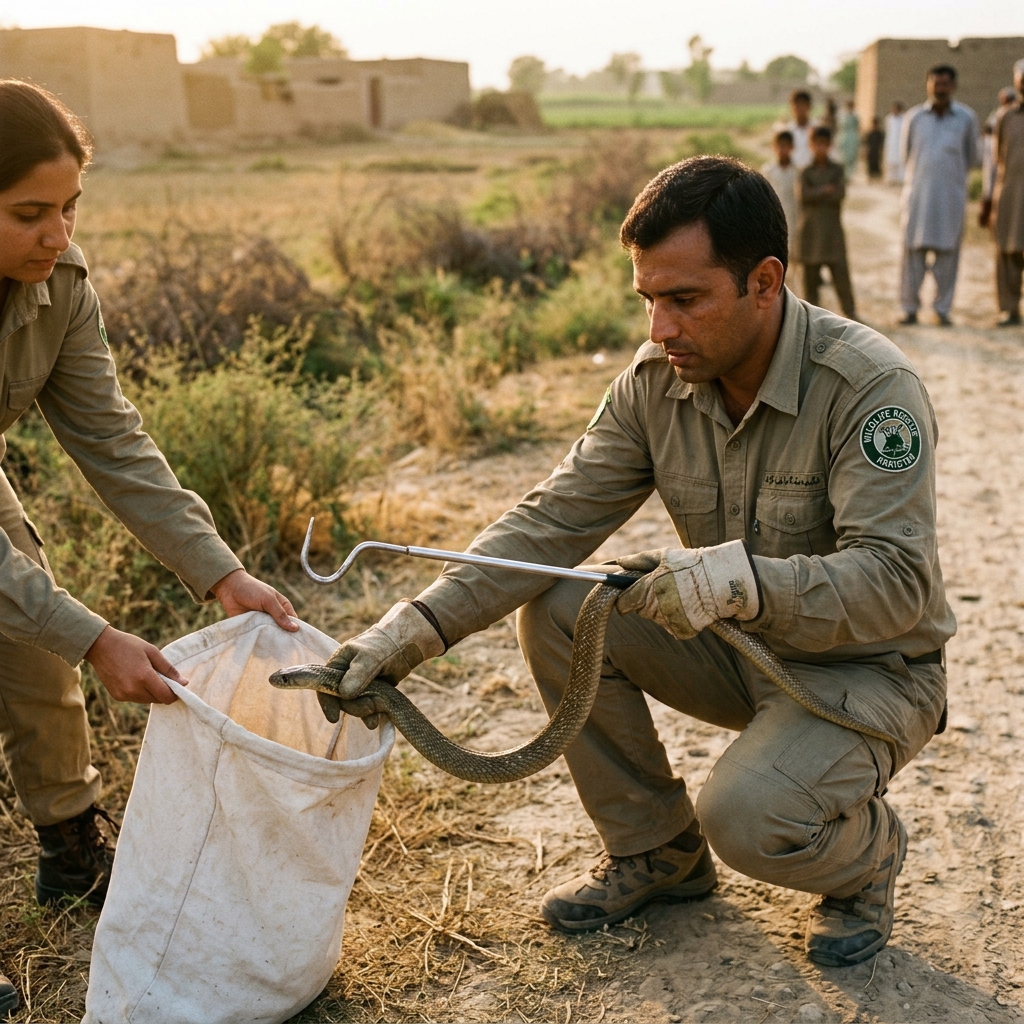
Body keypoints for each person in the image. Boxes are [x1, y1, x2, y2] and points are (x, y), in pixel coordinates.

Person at [324, 156, 954, 969]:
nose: (659, 328)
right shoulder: (655, 379)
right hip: (740, 651)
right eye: (649, 299)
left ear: (765, 282)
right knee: (559, 608)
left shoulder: (869, 388)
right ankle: (658, 852)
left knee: (751, 820)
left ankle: (865, 863)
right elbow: (551, 520)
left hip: (866, 671)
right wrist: (412, 630)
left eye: (685, 299)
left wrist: (739, 581)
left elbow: (896, 586)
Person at [0, 81, 299, 1017]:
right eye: (29, 213)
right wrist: (96, 637)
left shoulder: (61, 287)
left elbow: (114, 443)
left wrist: (222, 572)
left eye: (70, 207)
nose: (59, 234)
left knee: (31, 643)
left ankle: (69, 844)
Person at [898, 65, 980, 326]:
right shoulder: (915, 118)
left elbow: (972, 158)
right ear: (927, 85)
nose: (940, 89)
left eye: (945, 84)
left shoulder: (966, 118)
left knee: (948, 258)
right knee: (912, 256)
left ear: (953, 86)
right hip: (918, 198)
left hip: (950, 200)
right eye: (935, 83)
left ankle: (942, 310)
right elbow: (905, 155)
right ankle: (909, 309)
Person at [980, 63, 1024, 326]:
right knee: (1006, 253)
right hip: (1010, 194)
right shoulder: (1005, 117)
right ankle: (1008, 309)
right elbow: (997, 160)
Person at [797, 126, 857, 318]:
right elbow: (803, 196)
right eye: (817, 144)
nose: (821, 148)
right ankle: (810, 321)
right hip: (811, 232)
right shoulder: (805, 171)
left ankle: (850, 313)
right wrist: (825, 190)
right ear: (811, 145)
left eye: (824, 144)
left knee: (841, 277)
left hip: (832, 233)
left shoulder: (837, 169)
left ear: (830, 146)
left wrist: (817, 192)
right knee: (810, 282)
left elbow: (839, 194)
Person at [761, 130, 799, 266]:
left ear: (792, 147)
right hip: (773, 221)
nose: (783, 149)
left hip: (794, 219)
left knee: (794, 258)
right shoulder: (768, 171)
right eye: (780, 145)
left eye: (786, 146)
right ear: (774, 147)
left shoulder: (798, 171)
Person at [785, 90, 815, 169]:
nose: (800, 108)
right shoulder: (786, 130)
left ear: (809, 106)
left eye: (803, 104)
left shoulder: (817, 129)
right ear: (791, 107)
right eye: (797, 105)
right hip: (791, 172)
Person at [884, 101, 906, 185]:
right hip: (891, 143)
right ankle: (891, 179)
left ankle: (900, 179)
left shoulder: (904, 119)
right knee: (890, 162)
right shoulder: (889, 119)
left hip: (900, 143)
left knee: (900, 161)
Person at [839, 99, 860, 179]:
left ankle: (849, 175)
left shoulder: (855, 117)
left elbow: (857, 127)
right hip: (844, 136)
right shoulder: (843, 116)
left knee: (852, 156)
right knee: (843, 156)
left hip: (853, 137)